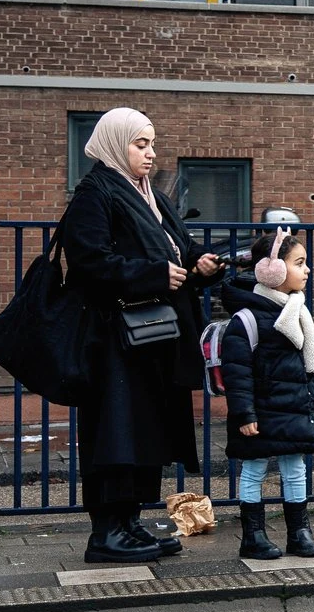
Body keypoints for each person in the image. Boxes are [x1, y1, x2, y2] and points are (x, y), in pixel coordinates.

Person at [57, 108, 223, 564]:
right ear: (115, 144)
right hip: (115, 340)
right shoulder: (95, 193)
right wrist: (152, 274)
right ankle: (106, 532)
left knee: (145, 431)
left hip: (152, 339)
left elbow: (178, 249)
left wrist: (200, 264)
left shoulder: (151, 195)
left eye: (152, 144)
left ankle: (128, 525)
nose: (150, 154)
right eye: (139, 144)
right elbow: (89, 262)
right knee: (116, 431)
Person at [220, 227, 314, 561]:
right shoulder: (247, 319)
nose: (306, 270)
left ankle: (299, 533)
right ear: (273, 270)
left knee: (295, 470)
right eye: (299, 263)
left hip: (293, 409)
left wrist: (310, 403)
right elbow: (236, 375)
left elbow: (304, 372)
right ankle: (253, 536)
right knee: (254, 471)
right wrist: (245, 414)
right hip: (260, 413)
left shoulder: (296, 311)